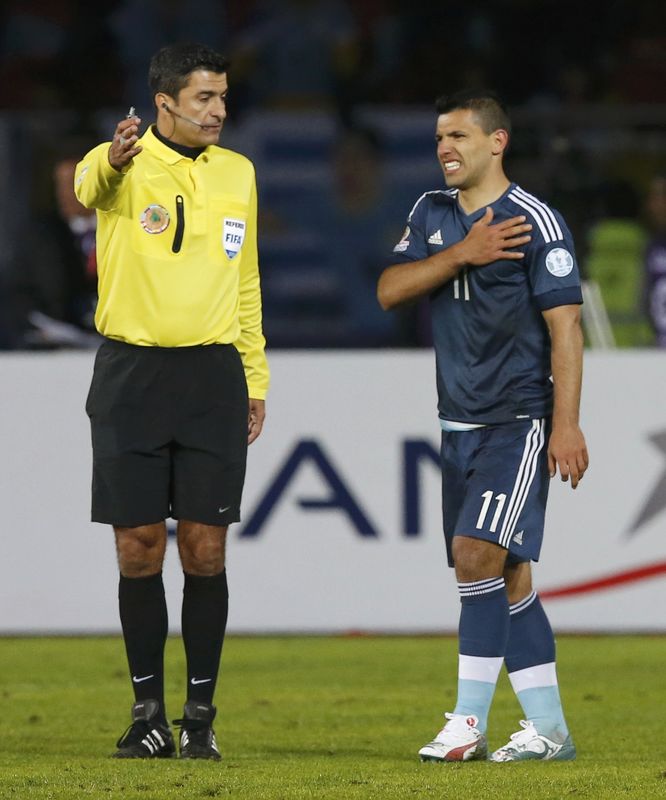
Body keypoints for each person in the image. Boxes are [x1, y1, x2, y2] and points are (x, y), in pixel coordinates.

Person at [377, 90, 588, 763]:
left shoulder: (536, 222)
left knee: (475, 555)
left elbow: (567, 328)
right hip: (455, 424)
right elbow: (390, 289)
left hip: (517, 419)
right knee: (508, 576)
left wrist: (566, 425)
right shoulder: (429, 212)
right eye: (440, 137)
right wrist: (462, 254)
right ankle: (550, 730)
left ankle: (466, 723)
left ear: (497, 142)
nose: (446, 148)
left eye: (460, 136)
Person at [75, 42, 269, 760]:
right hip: (131, 375)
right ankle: (147, 712)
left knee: (206, 550)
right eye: (204, 99)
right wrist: (117, 157)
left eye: (222, 97)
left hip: (213, 376)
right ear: (164, 104)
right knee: (138, 549)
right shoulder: (121, 166)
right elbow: (87, 187)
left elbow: (246, 280)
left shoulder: (239, 174)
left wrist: (255, 375)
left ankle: (199, 719)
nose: (219, 111)